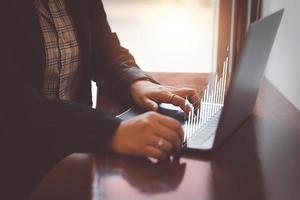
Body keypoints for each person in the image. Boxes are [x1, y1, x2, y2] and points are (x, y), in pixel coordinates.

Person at [0, 0, 200, 199]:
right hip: (16, 169)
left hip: (74, 151)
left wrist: (136, 82)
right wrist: (111, 131)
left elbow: (104, 50)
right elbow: (15, 104)